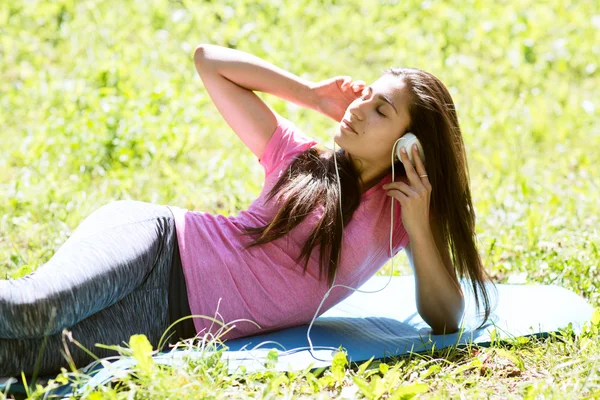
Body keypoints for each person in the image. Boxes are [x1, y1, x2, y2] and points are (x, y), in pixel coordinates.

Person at [0, 44, 496, 377]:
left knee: (25, 357)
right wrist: (308, 94)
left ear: (412, 143)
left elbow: (446, 319)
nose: (359, 108)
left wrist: (419, 226)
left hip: (175, 321)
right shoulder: (302, 157)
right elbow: (208, 61)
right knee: (32, 310)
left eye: (382, 110)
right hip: (160, 245)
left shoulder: (400, 217)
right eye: (366, 95)